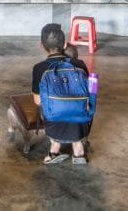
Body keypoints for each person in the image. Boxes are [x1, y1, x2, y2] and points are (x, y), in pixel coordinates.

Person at [32, 23, 90, 164]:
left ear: (41, 45)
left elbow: (38, 101)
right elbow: (89, 94)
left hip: (54, 124)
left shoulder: (39, 68)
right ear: (65, 45)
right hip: (81, 121)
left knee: (49, 107)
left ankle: (55, 148)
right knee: (79, 106)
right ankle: (78, 150)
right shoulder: (80, 64)